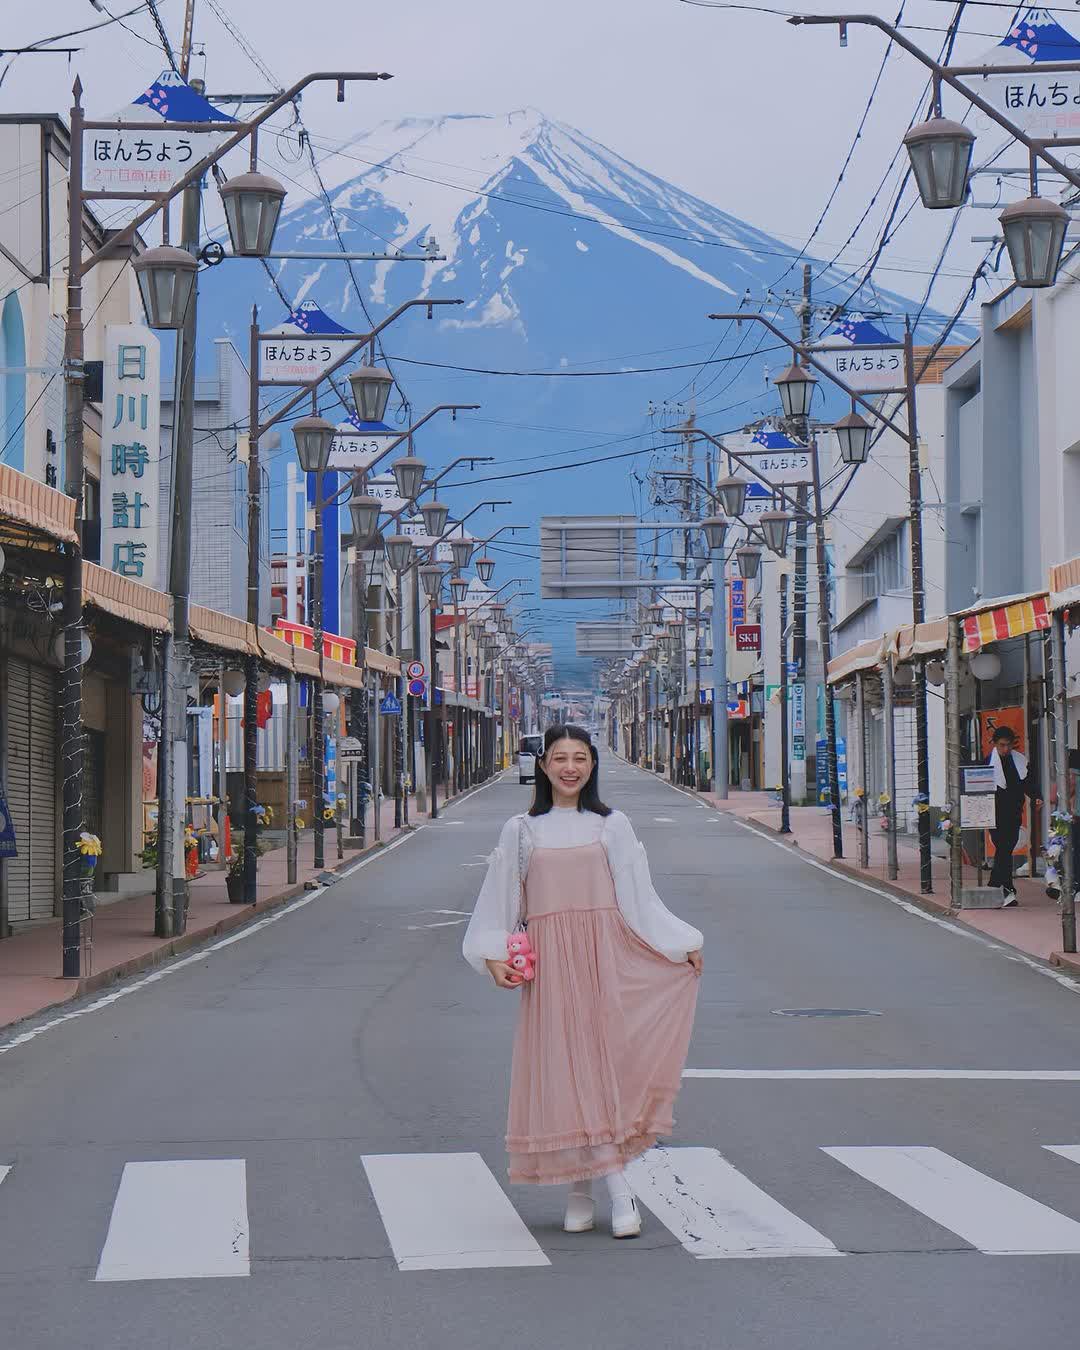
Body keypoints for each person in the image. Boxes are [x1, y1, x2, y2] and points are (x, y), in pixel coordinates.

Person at [462, 724, 703, 1240]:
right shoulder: (520, 831)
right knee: (567, 1070)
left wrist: (679, 943)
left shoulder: (613, 826)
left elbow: (640, 898)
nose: (569, 767)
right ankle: (599, 1191)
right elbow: (499, 899)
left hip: (605, 957)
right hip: (550, 967)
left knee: (598, 1069)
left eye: (580, 758)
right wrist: (492, 954)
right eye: (559, 758)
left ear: (593, 764)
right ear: (543, 766)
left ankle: (595, 1191)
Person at [986, 725, 1041, 907]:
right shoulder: (987, 762)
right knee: (1004, 849)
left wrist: (1037, 796)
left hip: (1014, 812)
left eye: (1009, 745)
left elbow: (1028, 783)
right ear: (995, 744)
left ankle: (999, 887)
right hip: (994, 813)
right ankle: (1005, 888)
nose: (1006, 749)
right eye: (1002, 745)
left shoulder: (1019, 761)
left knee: (1005, 849)